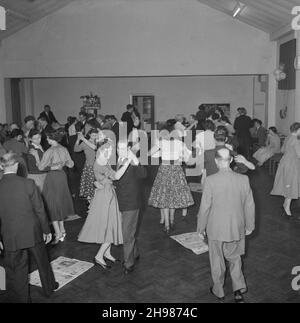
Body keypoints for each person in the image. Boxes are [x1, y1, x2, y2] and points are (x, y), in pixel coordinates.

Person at [197, 148, 255, 303]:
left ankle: (219, 291)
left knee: (217, 260)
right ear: (231, 160)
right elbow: (249, 205)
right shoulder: (243, 180)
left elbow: (205, 207)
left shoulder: (210, 180)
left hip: (215, 228)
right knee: (235, 258)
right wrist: (250, 225)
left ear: (216, 161)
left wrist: (200, 228)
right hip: (237, 227)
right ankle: (238, 290)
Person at [0, 152, 58, 303]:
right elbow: (40, 210)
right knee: (42, 262)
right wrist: (47, 230)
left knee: (16, 270)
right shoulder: (28, 183)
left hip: (10, 235)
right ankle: (49, 287)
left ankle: (22, 299)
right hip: (32, 232)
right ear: (17, 165)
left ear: (1, 166)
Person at [78, 139, 135, 269]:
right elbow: (116, 176)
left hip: (108, 194)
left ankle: (107, 253)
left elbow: (100, 177)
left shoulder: (103, 160)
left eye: (111, 150)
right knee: (110, 226)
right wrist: (127, 162)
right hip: (105, 198)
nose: (110, 153)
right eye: (108, 150)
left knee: (111, 224)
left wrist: (98, 182)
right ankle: (99, 256)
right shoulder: (100, 162)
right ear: (101, 150)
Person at [148, 119, 194, 234]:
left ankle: (167, 224)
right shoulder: (181, 144)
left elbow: (149, 153)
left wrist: (161, 153)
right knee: (173, 196)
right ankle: (172, 221)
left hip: (164, 169)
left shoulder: (161, 142)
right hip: (176, 170)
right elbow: (189, 160)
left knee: (164, 197)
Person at [30, 129, 74, 244]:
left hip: (53, 178)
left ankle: (58, 233)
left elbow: (40, 167)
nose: (46, 139)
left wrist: (36, 156)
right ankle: (62, 230)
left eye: (47, 138)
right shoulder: (64, 149)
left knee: (51, 205)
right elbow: (71, 164)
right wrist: (61, 164)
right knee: (59, 202)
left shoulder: (50, 151)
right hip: (62, 176)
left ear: (51, 138)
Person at [115, 141, 147, 274]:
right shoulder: (117, 159)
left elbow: (144, 174)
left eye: (123, 148)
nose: (119, 150)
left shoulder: (132, 161)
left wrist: (134, 158)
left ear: (128, 149)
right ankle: (135, 252)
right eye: (118, 148)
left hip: (131, 202)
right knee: (129, 230)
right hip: (119, 200)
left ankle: (128, 263)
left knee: (126, 233)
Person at [271, 123, 300, 218]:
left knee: (288, 184)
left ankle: (285, 205)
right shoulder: (296, 139)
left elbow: (282, 150)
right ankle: (286, 208)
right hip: (292, 164)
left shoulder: (288, 137)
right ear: (298, 130)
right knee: (291, 185)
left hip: (285, 162)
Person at [74, 130, 98, 201]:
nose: (95, 136)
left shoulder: (98, 142)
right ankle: (90, 202)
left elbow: (94, 147)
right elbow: (75, 149)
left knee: (96, 184)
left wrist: (83, 138)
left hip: (98, 166)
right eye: (93, 135)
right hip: (89, 166)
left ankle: (95, 201)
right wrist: (78, 139)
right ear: (90, 135)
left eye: (96, 135)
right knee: (90, 184)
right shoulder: (85, 143)